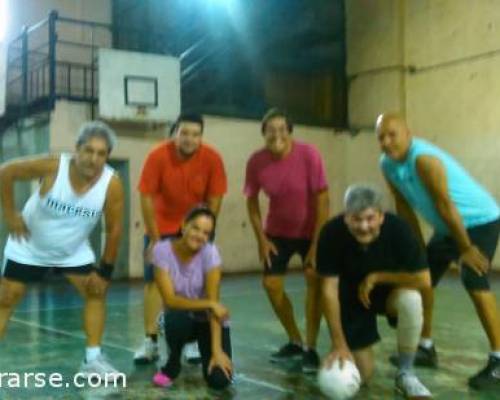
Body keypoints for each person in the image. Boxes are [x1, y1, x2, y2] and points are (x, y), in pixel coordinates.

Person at [377, 112, 500, 390]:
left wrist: (466, 249)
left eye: (392, 134)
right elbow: (404, 205)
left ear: (409, 134)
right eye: (381, 137)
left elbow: (445, 205)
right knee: (421, 277)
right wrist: (415, 249)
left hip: (480, 221)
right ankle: (425, 348)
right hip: (448, 227)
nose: (386, 141)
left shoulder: (423, 159)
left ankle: (499, 360)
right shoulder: (387, 164)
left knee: (473, 277)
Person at [0, 121, 124, 380]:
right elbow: (6, 172)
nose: (93, 159)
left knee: (95, 293)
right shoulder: (54, 167)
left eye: (101, 153)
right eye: (88, 150)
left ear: (107, 157)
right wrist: (10, 213)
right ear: (76, 149)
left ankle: (92, 360)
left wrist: (105, 272)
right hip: (28, 246)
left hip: (72, 251)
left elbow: (113, 229)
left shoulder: (111, 184)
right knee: (5, 299)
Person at [318, 184, 432, 398]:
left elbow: (423, 280)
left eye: (370, 218)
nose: (363, 226)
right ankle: (345, 349)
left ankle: (406, 373)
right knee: (363, 376)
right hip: (350, 299)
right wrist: (339, 343)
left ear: (381, 216)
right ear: (345, 217)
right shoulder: (331, 233)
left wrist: (377, 277)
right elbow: (328, 291)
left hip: (386, 294)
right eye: (356, 219)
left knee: (411, 299)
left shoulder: (399, 229)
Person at [135, 113, 227, 365]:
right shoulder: (157, 156)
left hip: (196, 227)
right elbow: (145, 197)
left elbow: (216, 198)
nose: (189, 139)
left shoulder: (212, 158)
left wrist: (205, 232)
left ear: (201, 137)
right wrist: (154, 240)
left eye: (195, 134)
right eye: (184, 133)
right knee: (154, 283)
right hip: (163, 226)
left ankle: (193, 341)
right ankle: (150, 342)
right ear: (175, 133)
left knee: (197, 285)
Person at [244, 108, 329, 373]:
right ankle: (295, 339)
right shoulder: (256, 161)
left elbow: (323, 199)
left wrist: (316, 243)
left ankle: (311, 349)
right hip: (277, 233)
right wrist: (261, 238)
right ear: (264, 134)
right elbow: (251, 200)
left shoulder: (309, 154)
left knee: (314, 282)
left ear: (290, 131)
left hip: (311, 232)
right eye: (271, 130)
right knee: (271, 284)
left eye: (282, 129)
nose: (276, 134)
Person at [151, 206, 232, 390]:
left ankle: (211, 354)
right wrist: (210, 303)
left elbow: (215, 306)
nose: (199, 235)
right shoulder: (162, 251)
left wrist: (217, 351)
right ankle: (172, 365)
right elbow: (170, 300)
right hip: (180, 317)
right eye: (195, 228)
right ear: (183, 225)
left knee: (219, 381)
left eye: (206, 232)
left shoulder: (210, 254)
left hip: (208, 321)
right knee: (176, 318)